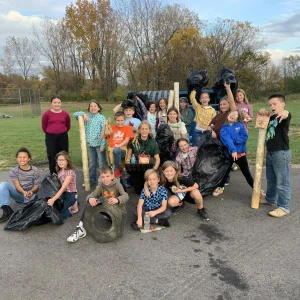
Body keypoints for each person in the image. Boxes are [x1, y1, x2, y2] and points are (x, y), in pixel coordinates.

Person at [67, 165, 129, 243]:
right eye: (103, 177)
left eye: (107, 176)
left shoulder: (117, 184)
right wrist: (90, 199)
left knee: (117, 232)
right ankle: (80, 228)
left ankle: (115, 231)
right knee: (89, 204)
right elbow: (91, 195)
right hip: (107, 209)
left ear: (112, 176)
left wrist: (117, 199)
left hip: (118, 211)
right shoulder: (101, 186)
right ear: (100, 177)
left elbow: (126, 196)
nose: (105, 179)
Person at [213, 110, 263, 197]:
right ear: (228, 116)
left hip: (241, 154)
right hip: (230, 154)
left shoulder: (240, 126)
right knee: (225, 171)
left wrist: (235, 140)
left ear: (237, 119)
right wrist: (233, 150)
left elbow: (244, 136)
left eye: (235, 114)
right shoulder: (223, 129)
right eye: (231, 113)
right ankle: (220, 187)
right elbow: (227, 141)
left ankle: (256, 189)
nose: (232, 114)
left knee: (246, 173)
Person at [259, 94, 291, 218]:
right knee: (271, 179)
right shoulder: (271, 118)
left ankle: (284, 207)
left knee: (282, 182)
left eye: (274, 103)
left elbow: (287, 114)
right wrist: (262, 113)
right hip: (270, 153)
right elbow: (262, 123)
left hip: (281, 153)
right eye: (270, 105)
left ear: (283, 104)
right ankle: (270, 199)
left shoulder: (283, 116)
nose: (272, 106)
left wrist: (285, 112)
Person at [0, 147, 40, 222]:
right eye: (19, 157)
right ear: (16, 158)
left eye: (24, 157)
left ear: (29, 159)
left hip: (32, 194)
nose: (22, 159)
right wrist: (23, 192)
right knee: (3, 184)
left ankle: (25, 205)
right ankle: (6, 210)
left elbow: (36, 186)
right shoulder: (13, 171)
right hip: (20, 193)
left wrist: (31, 191)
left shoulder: (35, 170)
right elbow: (17, 186)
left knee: (25, 215)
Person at [73, 100, 106, 186]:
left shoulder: (101, 118)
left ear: (98, 108)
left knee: (102, 164)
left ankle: (103, 182)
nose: (93, 108)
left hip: (99, 145)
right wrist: (83, 114)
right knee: (92, 163)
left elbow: (105, 132)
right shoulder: (86, 116)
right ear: (89, 108)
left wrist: (103, 145)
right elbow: (74, 115)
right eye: (91, 106)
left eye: (95, 106)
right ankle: (91, 180)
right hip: (91, 145)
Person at [125, 121, 160, 194]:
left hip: (148, 168)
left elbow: (157, 158)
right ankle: (134, 179)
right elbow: (128, 155)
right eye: (142, 129)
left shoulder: (153, 142)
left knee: (151, 190)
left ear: (149, 130)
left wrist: (154, 169)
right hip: (137, 167)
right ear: (139, 130)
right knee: (139, 191)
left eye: (146, 129)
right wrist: (127, 163)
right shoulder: (133, 141)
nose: (144, 131)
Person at [42, 96, 70, 175]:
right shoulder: (46, 114)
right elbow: (44, 126)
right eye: (55, 102)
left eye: (58, 102)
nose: (56, 104)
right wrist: (51, 132)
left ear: (61, 103)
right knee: (52, 154)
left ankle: (64, 173)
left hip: (63, 136)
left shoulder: (65, 114)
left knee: (63, 154)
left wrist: (61, 131)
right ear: (51, 103)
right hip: (50, 137)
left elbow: (68, 126)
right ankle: (53, 174)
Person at [47, 151, 77, 220]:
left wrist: (53, 199)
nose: (60, 162)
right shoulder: (59, 171)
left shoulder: (70, 173)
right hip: (63, 194)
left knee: (60, 214)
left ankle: (71, 209)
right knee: (56, 207)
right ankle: (73, 204)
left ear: (67, 161)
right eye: (58, 160)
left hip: (70, 195)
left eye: (62, 160)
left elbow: (63, 188)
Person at [103, 111, 134, 178]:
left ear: (125, 120)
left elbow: (127, 140)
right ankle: (119, 173)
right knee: (114, 150)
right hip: (112, 150)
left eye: (121, 120)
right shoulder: (112, 128)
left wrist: (119, 145)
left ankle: (116, 169)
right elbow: (103, 136)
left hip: (122, 150)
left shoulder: (127, 128)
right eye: (118, 120)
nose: (120, 122)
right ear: (115, 120)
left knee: (116, 150)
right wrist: (105, 126)